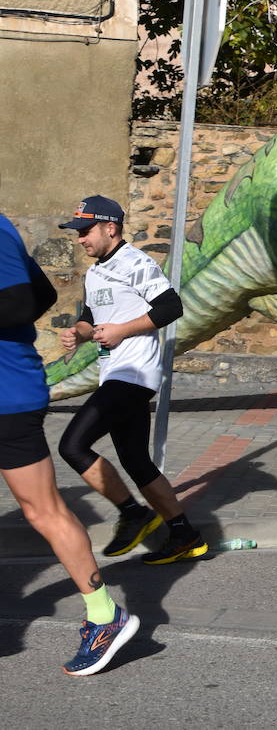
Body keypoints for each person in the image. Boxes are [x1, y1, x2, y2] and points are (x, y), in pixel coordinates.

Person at [0, 213, 139, 675]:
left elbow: (22, 303)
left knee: (43, 510)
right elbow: (43, 292)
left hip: (8, 398)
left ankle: (106, 617)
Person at [56, 196, 206, 564]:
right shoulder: (94, 272)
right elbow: (89, 318)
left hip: (134, 373)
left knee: (72, 446)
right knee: (136, 461)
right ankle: (185, 535)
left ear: (111, 228)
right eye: (77, 233)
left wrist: (123, 330)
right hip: (116, 373)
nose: (80, 240)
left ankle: (134, 513)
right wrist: (79, 333)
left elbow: (171, 306)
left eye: (85, 231)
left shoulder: (136, 263)